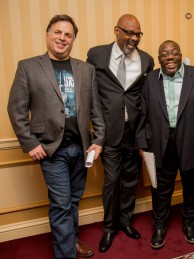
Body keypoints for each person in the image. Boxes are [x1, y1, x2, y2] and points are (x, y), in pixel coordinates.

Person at [7, 14, 105, 259]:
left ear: (73, 40)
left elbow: (96, 109)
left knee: (72, 201)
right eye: (58, 33)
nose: (63, 38)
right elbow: (16, 108)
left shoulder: (86, 69)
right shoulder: (28, 66)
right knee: (61, 204)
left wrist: (98, 140)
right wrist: (30, 143)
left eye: (68, 35)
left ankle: (70, 241)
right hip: (52, 149)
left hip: (81, 149)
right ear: (48, 35)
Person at [136, 40, 194, 249]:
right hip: (159, 144)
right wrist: (142, 144)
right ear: (159, 59)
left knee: (192, 187)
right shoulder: (149, 81)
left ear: (181, 54)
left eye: (174, 53)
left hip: (193, 143)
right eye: (165, 54)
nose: (170, 57)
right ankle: (159, 226)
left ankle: (190, 224)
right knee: (160, 189)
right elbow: (142, 115)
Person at [86, 14, 154, 253]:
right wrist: (94, 131)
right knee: (112, 180)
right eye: (129, 33)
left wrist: (145, 134)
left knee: (130, 181)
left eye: (138, 34)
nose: (134, 38)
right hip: (109, 132)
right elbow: (91, 92)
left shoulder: (147, 60)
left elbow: (143, 97)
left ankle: (125, 221)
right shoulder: (96, 55)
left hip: (134, 132)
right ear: (116, 30)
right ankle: (108, 228)